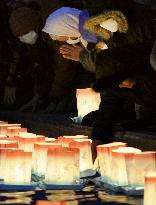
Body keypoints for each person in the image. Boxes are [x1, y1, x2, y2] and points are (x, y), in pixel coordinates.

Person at [78, 0, 156, 146]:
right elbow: (111, 95)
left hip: (149, 84)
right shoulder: (113, 37)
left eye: (103, 20)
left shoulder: (144, 23)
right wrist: (99, 137)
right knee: (91, 120)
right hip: (142, 93)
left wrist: (137, 80)